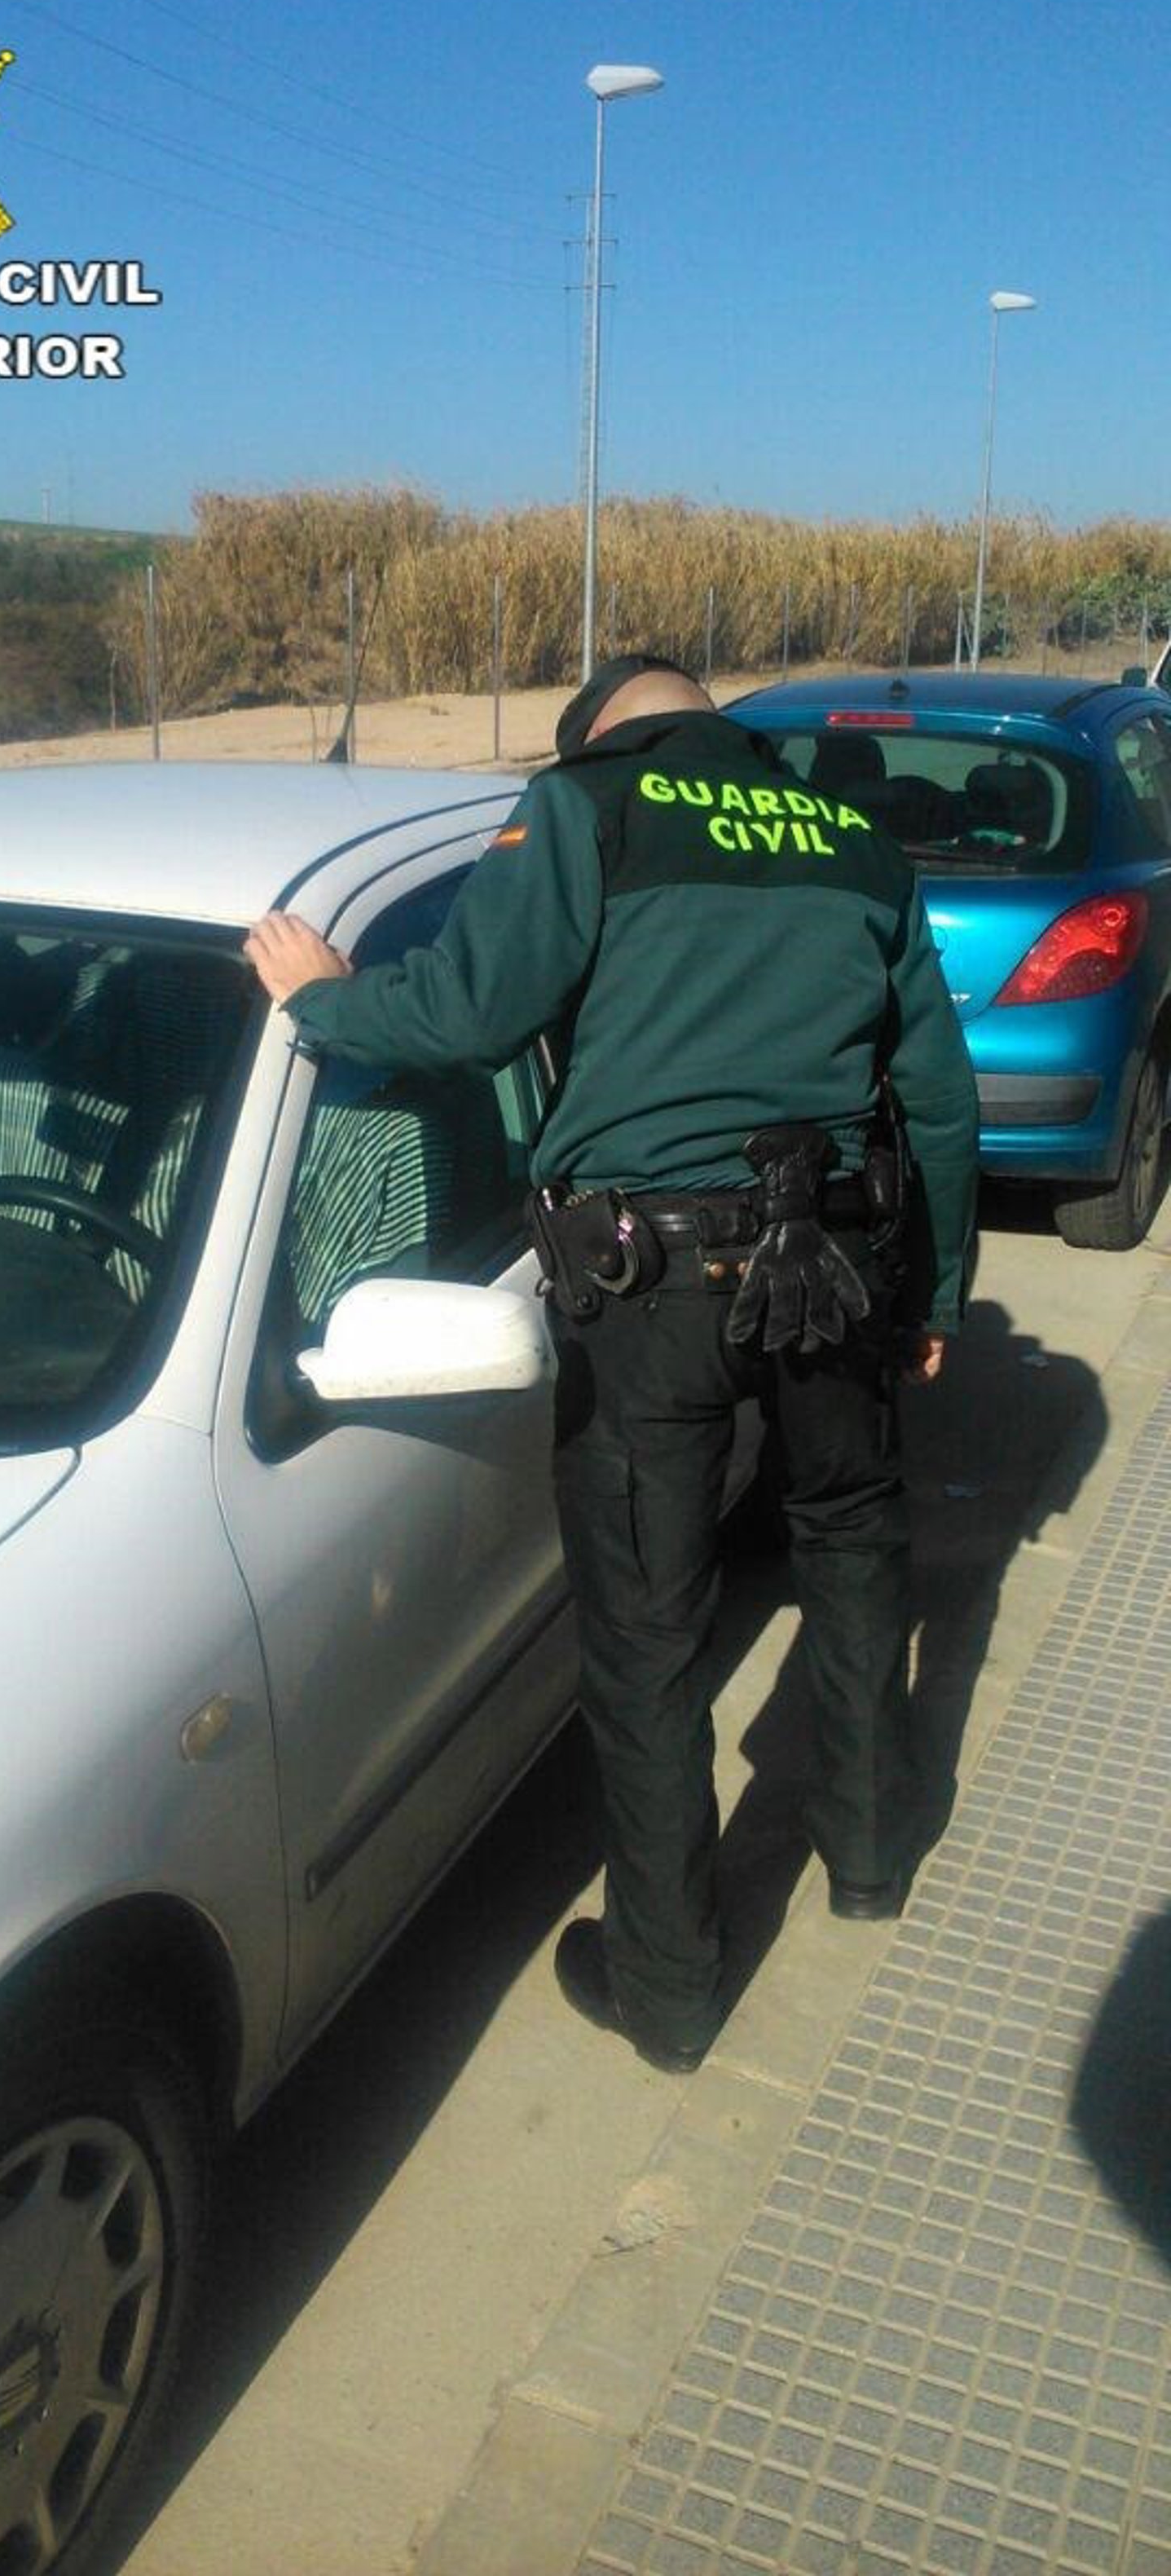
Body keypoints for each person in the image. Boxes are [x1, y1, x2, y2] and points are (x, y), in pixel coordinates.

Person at [244, 654, 980, 2075]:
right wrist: (936, 1288)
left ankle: (671, 1988)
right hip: (834, 1265)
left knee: (648, 1643)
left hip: (656, 1291)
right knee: (849, 1543)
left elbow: (470, 1012)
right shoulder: (849, 833)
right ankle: (871, 1855)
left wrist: (330, 999)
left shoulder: (587, 804)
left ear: (599, 735)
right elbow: (937, 1091)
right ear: (710, 721)